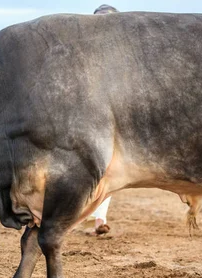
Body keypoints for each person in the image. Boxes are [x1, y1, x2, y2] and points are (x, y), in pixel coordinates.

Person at [88, 4, 119, 235]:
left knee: (108, 170)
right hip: (87, 118)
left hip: (112, 121)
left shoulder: (122, 54)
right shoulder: (83, 50)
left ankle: (100, 218)